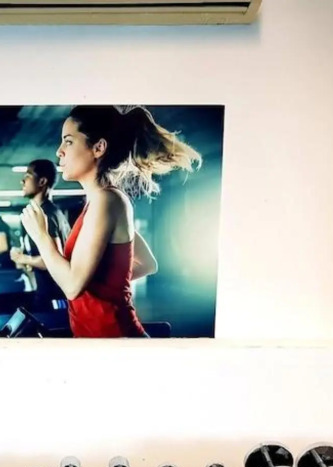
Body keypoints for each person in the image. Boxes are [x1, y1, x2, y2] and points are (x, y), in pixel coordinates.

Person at [20, 105, 201, 338]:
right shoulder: (101, 201)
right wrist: (97, 282)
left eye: (68, 142)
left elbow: (72, 286)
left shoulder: (106, 200)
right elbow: (148, 263)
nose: (59, 151)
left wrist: (41, 237)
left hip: (116, 340)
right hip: (100, 340)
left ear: (98, 148)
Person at [10, 159, 70, 308]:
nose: (22, 181)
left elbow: (53, 260)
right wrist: (26, 260)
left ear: (42, 181)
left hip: (55, 297)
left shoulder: (48, 214)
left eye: (28, 176)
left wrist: (23, 258)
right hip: (44, 293)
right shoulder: (38, 214)